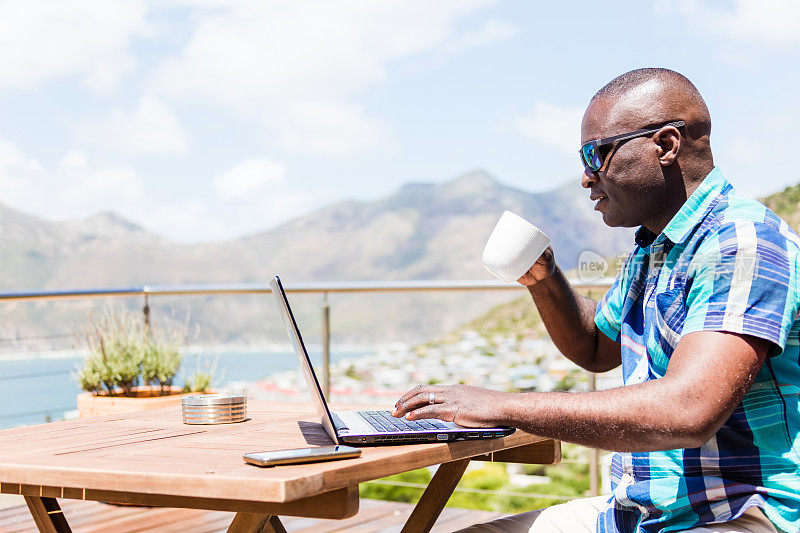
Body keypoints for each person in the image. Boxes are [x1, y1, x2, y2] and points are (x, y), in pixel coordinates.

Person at [392, 68, 800, 533]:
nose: (586, 178)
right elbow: (594, 346)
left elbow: (689, 410)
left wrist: (497, 405)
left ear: (665, 145)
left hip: (737, 513)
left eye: (596, 153)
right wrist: (545, 279)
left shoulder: (742, 241)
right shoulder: (656, 247)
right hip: (644, 513)